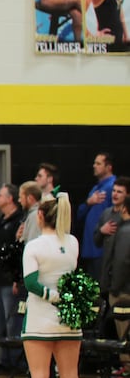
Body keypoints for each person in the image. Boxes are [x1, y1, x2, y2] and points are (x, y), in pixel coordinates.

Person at [15, 192, 87, 378]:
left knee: (39, 377)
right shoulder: (73, 243)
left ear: (40, 215)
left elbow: (31, 282)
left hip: (41, 319)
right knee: (71, 377)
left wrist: (51, 295)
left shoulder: (33, 246)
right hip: (69, 318)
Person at [0, 184, 26, 371]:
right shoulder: (0, 221)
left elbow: (18, 252)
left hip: (10, 280)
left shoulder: (19, 220)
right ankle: (3, 360)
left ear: (10, 198)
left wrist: (17, 278)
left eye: (0, 195)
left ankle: (16, 361)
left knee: (13, 323)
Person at [98, 178, 130, 360]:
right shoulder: (107, 215)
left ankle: (126, 370)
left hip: (123, 291)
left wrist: (115, 288)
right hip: (119, 286)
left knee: (124, 335)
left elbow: (122, 262)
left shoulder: (125, 231)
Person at [75, 152, 116, 278]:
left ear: (108, 167)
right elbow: (79, 214)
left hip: (102, 249)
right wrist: (89, 202)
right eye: (94, 163)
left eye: (98, 163)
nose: (94, 166)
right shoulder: (95, 189)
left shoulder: (113, 187)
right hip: (90, 247)